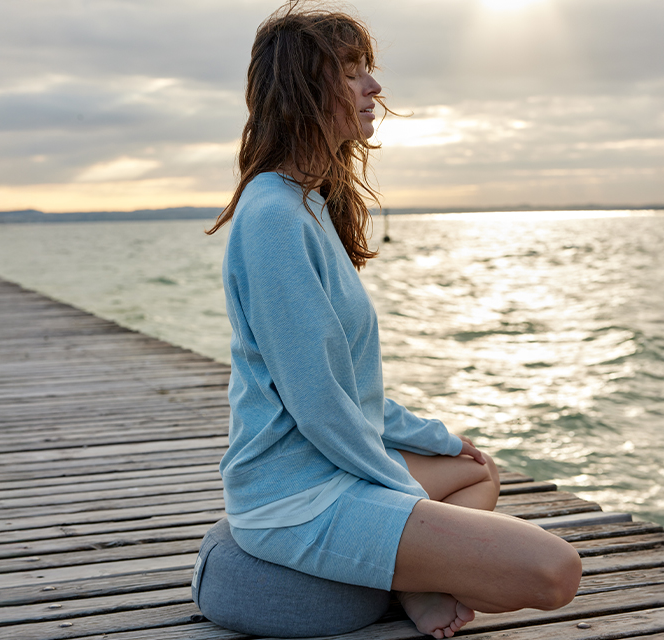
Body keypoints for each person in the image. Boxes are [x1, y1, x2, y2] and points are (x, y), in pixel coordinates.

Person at [205, 2, 582, 637]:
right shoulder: (271, 218)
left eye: (367, 70)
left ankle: (412, 582)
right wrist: (398, 493)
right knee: (554, 573)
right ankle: (415, 582)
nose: (374, 87)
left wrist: (433, 438)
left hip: (334, 466)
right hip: (292, 495)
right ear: (304, 90)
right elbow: (318, 404)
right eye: (352, 72)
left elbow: (352, 386)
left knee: (477, 467)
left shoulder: (308, 204)